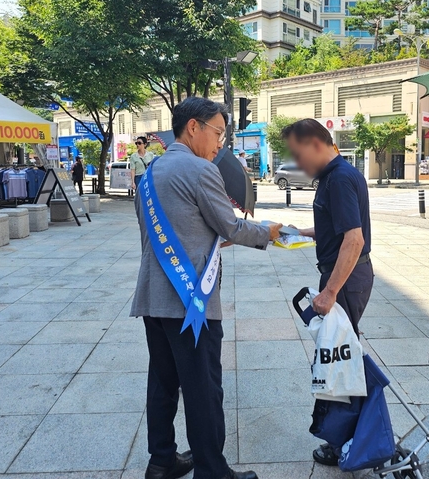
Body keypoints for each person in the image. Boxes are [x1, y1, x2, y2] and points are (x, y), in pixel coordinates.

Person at [131, 97, 282, 479]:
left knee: (163, 385)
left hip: (153, 297)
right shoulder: (200, 170)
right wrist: (268, 232)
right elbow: (229, 226)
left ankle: (162, 461)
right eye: (218, 133)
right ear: (193, 127)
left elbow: (175, 231)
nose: (221, 143)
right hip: (189, 303)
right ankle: (213, 471)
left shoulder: (150, 173)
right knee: (203, 388)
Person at [280, 118, 373, 467]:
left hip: (346, 280)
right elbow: (332, 229)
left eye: (300, 156)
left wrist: (330, 292)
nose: (298, 165)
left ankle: (343, 440)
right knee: (339, 358)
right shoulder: (334, 177)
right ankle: (347, 434)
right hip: (345, 276)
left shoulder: (339, 179)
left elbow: (354, 239)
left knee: (339, 360)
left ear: (318, 144)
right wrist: (295, 233)